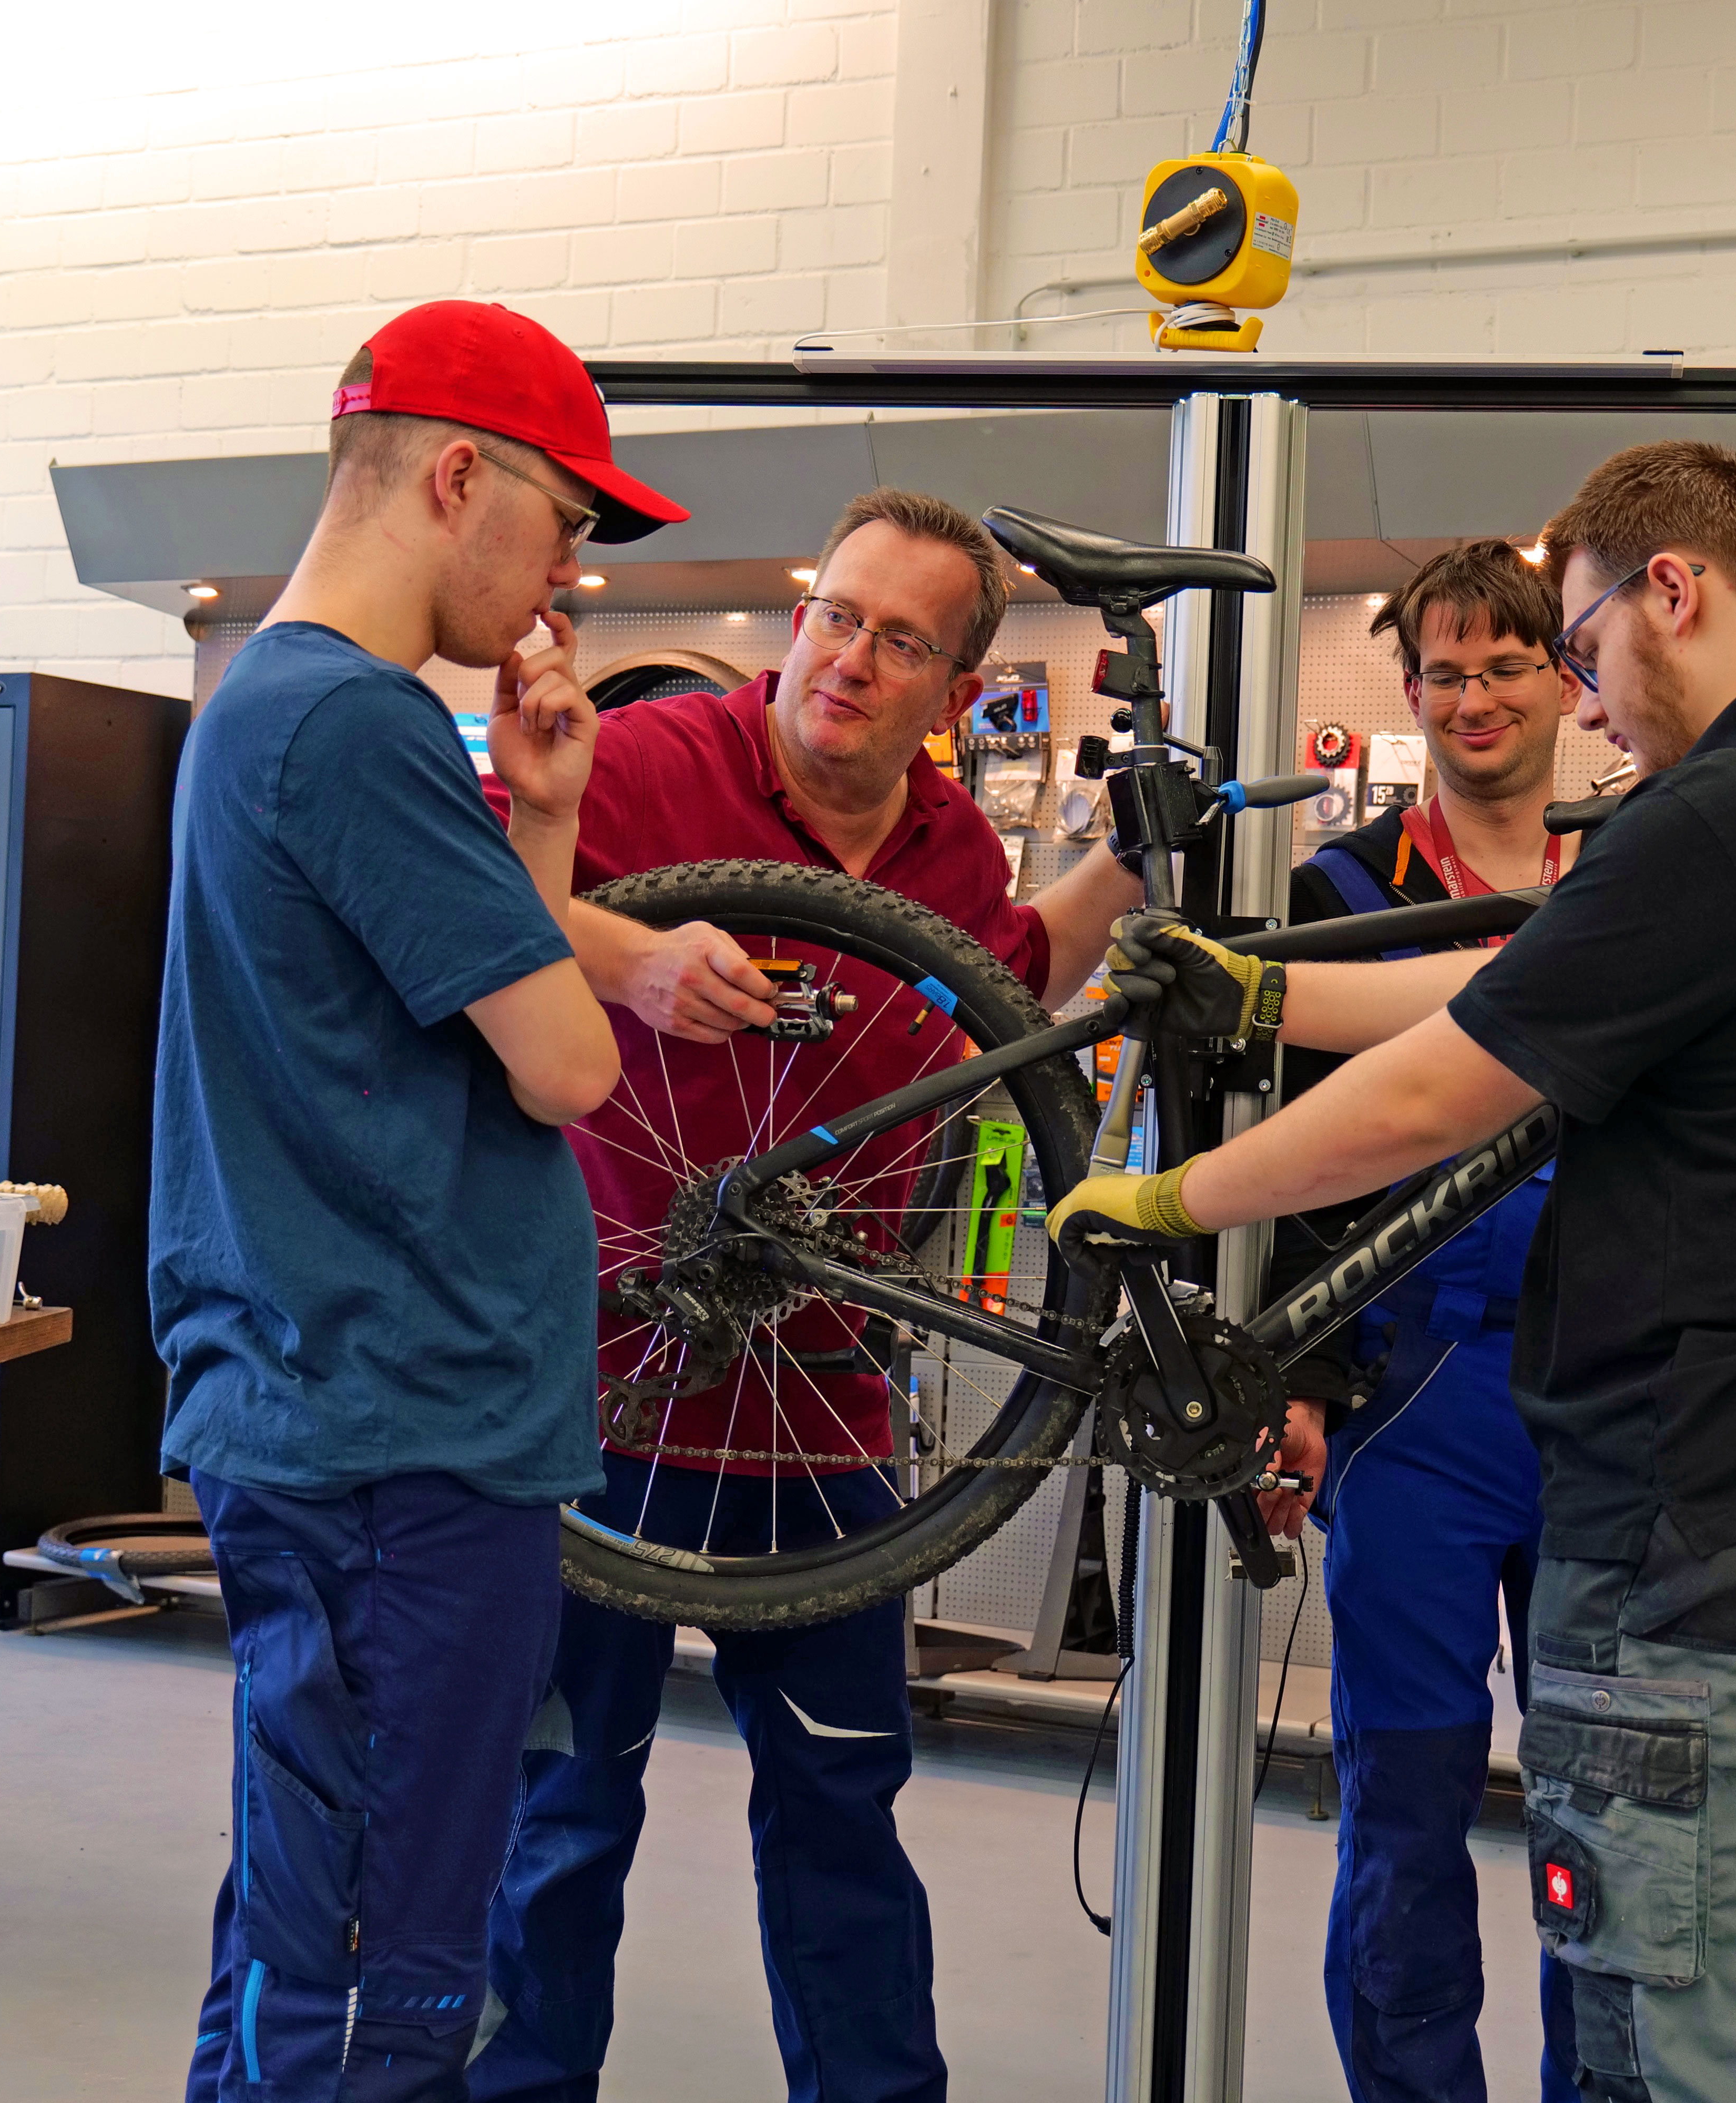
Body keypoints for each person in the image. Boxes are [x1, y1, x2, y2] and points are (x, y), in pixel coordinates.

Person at [1050, 442, 1736, 2103]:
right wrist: (1261, 1001)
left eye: (1582, 650)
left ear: (1674, 588)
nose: (1591, 707)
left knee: (1700, 2044)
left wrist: (1173, 1203)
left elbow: (1455, 1086)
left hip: (1731, 1519)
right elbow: (1527, 987)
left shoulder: (1723, 818)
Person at [472, 488, 1145, 2103]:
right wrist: (627, 958)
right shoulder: (644, 769)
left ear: (957, 691)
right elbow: (472, 928)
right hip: (593, 1390)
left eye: (901, 640)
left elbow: (994, 982)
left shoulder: (951, 842)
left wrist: (1128, 868)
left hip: (822, 1400)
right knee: (559, 1814)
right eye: (837, 615)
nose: (848, 659)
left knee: (844, 1810)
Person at [152, 300, 683, 2101]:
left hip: (372, 1414)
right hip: (390, 1429)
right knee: (382, 1961)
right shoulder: (352, 725)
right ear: (457, 475)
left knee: (319, 1911)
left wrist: (542, 822)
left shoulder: (287, 715)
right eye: (562, 525)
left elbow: (461, 1019)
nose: (560, 590)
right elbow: (570, 1064)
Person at [1262, 540, 1585, 2103]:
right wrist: (1304, 1379)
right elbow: (1312, 1159)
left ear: (1567, 683)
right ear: (1409, 697)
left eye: (1506, 665)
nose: (1475, 699)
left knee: (1614, 1810)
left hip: (1619, 1390)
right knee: (1406, 1805)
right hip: (1419, 1395)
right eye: (1445, 673)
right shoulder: (1344, 898)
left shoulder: (1644, 879)